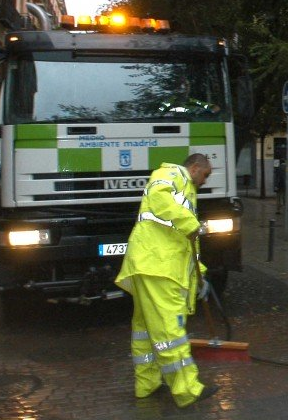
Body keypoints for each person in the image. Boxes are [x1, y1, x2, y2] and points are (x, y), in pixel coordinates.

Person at [114, 154, 219, 408]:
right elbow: (161, 200)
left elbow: (186, 244)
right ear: (194, 168)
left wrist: (200, 273)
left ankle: (146, 383)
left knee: (145, 330)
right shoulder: (172, 174)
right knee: (170, 330)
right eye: (205, 175)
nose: (205, 181)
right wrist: (190, 222)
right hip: (159, 267)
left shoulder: (185, 192)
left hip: (151, 264)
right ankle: (187, 390)